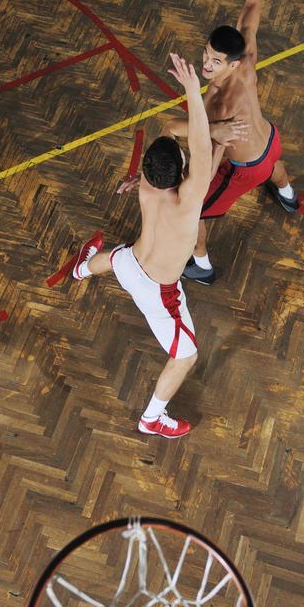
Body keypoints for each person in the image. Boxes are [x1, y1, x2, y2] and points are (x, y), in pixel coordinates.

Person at [71, 54, 212, 439]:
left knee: (113, 259)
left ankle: (80, 268)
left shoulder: (147, 182)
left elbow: (171, 139)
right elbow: (200, 147)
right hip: (160, 295)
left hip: (130, 263)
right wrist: (192, 91)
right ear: (181, 172)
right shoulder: (187, 203)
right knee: (186, 356)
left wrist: (189, 97)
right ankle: (152, 417)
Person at [162, 0, 299, 285]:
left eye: (215, 61)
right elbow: (254, 1)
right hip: (270, 142)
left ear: (232, 63)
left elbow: (202, 167)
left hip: (247, 168)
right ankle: (287, 194)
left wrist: (203, 131)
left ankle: (201, 264)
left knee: (196, 211)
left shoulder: (215, 104)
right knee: (275, 166)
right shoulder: (247, 58)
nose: (206, 65)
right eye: (207, 54)